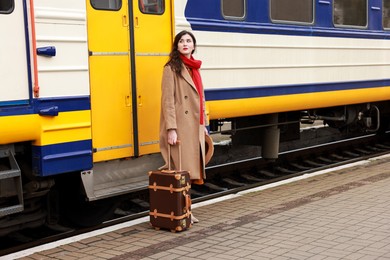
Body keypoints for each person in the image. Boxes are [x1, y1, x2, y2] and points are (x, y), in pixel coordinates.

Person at [159, 30, 208, 223]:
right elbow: (167, 101)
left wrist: (204, 123)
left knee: (190, 172)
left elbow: (201, 98)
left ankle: (186, 210)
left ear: (194, 46)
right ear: (176, 46)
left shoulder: (195, 68)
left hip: (194, 125)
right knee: (181, 171)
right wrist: (171, 128)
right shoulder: (171, 68)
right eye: (181, 41)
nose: (185, 44)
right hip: (180, 126)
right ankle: (183, 211)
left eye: (189, 41)